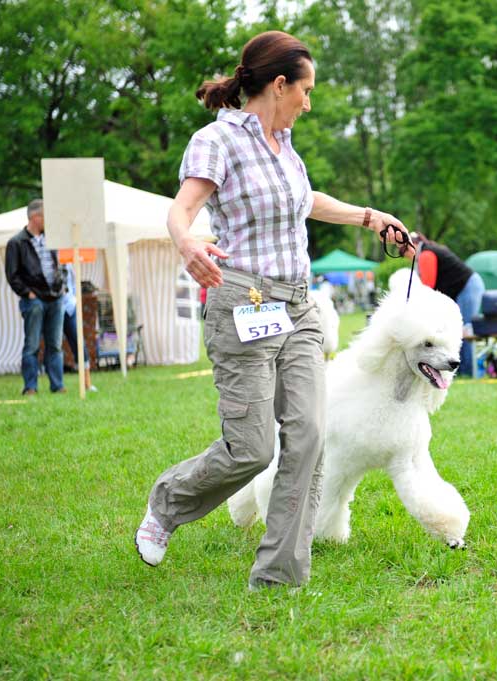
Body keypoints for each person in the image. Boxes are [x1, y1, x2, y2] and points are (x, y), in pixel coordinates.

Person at [134, 31, 414, 590]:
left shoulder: (286, 148)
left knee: (308, 435)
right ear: (279, 85)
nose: (308, 104)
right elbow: (182, 209)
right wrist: (188, 245)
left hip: (299, 305)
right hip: (244, 300)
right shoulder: (218, 140)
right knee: (253, 447)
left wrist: (370, 217)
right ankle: (168, 503)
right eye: (305, 91)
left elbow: (306, 202)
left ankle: (279, 576)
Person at [5, 199, 66, 395]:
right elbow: (12, 275)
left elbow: (61, 265)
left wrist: (61, 287)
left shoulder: (52, 239)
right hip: (34, 300)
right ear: (35, 217)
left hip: (55, 298)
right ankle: (30, 387)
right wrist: (28, 293)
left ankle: (57, 385)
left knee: (55, 345)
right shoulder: (17, 242)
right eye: (46, 216)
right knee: (32, 345)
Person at [410, 233, 485, 376]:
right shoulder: (428, 251)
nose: (406, 256)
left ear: (413, 245)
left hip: (467, 287)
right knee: (456, 329)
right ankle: (462, 369)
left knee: (464, 330)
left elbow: (428, 287)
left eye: (403, 251)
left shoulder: (426, 254)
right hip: (463, 288)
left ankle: (468, 371)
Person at [61, 265, 96, 392]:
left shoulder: (69, 264)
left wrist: (74, 300)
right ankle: (57, 386)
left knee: (79, 343)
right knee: (53, 346)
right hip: (52, 306)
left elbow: (74, 285)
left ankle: (87, 382)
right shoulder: (48, 260)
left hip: (70, 307)